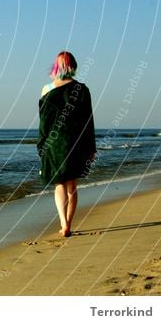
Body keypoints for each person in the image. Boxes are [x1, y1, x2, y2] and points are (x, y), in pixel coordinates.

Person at [37, 51, 96, 238]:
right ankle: (69, 224)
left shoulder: (46, 89)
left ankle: (63, 223)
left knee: (59, 184)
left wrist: (42, 144)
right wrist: (91, 147)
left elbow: (43, 122)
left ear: (56, 67)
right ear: (73, 66)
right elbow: (88, 121)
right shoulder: (82, 90)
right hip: (75, 141)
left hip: (54, 142)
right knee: (72, 185)